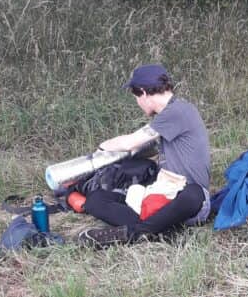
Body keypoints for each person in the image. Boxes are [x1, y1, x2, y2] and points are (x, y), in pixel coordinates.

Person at [78, 64, 211, 247]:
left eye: (135, 97)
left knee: (193, 193)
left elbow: (129, 143)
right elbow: (145, 149)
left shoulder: (178, 111)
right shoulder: (168, 115)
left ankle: (132, 233)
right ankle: (159, 231)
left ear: (143, 92)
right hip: (161, 195)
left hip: (188, 203)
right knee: (95, 200)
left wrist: (102, 148)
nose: (137, 102)